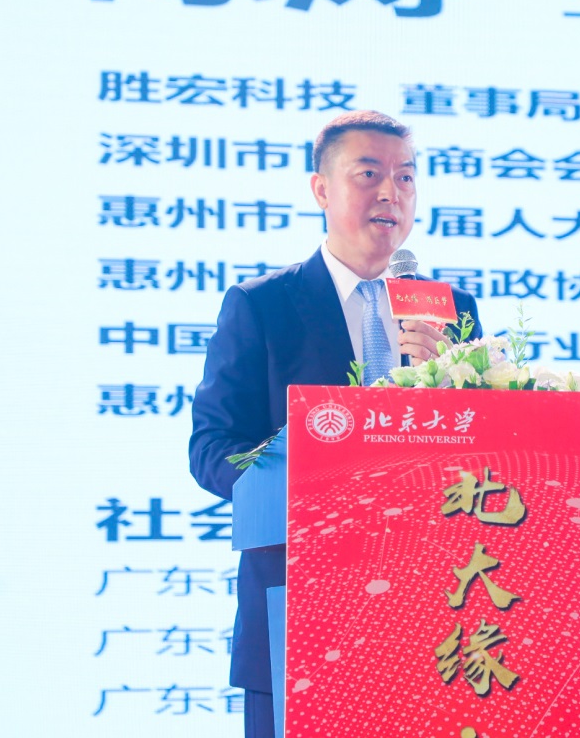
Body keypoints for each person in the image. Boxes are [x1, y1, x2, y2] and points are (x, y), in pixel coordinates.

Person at [188, 110, 482, 737]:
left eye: (406, 177)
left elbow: (488, 451)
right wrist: (309, 486)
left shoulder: (449, 309)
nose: (391, 193)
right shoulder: (263, 305)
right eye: (369, 174)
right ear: (321, 189)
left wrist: (455, 388)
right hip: (301, 608)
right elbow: (212, 447)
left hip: (433, 611)